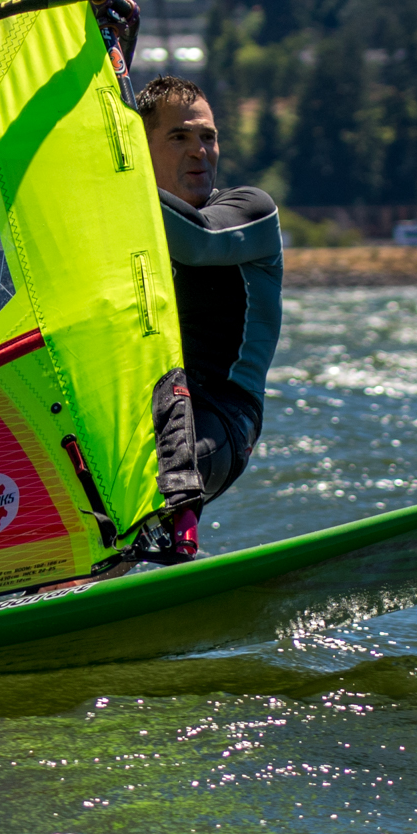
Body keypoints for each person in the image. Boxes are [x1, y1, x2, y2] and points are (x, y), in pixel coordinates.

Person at [136, 73, 281, 556]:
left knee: (147, 466)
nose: (200, 151)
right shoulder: (126, 232)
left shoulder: (250, 211)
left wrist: (113, 176)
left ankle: (181, 548)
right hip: (138, 405)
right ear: (141, 146)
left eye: (208, 136)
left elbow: (197, 241)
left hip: (224, 417)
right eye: (180, 137)